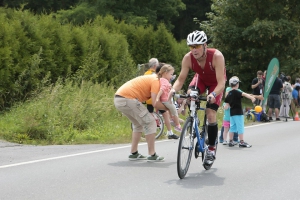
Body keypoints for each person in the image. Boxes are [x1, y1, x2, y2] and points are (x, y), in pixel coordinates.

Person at [169, 30, 226, 165]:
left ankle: (211, 148)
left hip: (216, 83)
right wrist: (172, 90)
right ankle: (193, 120)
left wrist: (212, 94)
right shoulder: (188, 58)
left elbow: (221, 83)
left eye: (197, 46)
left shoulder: (217, 56)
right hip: (200, 79)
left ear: (205, 45)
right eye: (191, 47)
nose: (194, 50)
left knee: (210, 113)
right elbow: (181, 79)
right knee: (190, 93)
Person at [114, 74, 165, 162]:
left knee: (138, 124)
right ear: (164, 74)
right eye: (171, 74)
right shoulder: (156, 80)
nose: (171, 78)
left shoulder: (152, 78)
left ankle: (134, 153)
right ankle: (152, 154)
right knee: (150, 122)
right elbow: (154, 102)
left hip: (119, 99)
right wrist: (168, 109)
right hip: (128, 99)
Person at [145, 59, 179, 139]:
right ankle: (170, 132)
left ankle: (151, 130)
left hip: (148, 99)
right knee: (165, 114)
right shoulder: (157, 77)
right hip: (156, 99)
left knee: (150, 114)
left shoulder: (146, 73)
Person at [224, 76, 256, 148]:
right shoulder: (237, 92)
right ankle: (241, 142)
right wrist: (252, 98)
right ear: (237, 84)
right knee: (240, 127)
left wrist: (225, 107)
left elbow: (226, 105)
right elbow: (244, 94)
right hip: (238, 112)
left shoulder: (229, 93)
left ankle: (231, 141)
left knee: (232, 127)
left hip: (232, 113)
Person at [156, 64, 182, 132]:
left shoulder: (160, 79)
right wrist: (157, 97)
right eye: (171, 74)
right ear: (165, 73)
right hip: (166, 100)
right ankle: (178, 125)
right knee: (175, 112)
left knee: (170, 110)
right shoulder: (165, 80)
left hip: (163, 100)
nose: (171, 76)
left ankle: (171, 119)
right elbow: (162, 89)